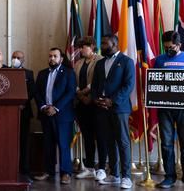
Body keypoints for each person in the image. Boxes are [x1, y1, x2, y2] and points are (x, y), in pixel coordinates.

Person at [91, 35, 135, 189]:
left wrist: (112, 100)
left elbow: (129, 85)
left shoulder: (126, 61)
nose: (101, 46)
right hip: (102, 108)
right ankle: (114, 175)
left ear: (114, 44)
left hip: (119, 108)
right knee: (109, 141)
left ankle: (126, 177)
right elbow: (95, 84)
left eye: (104, 43)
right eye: (101, 43)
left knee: (123, 142)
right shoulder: (100, 63)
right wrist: (96, 99)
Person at [34, 48, 76, 185]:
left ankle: (66, 173)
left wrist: (55, 108)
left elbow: (70, 93)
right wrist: (43, 107)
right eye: (50, 56)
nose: (52, 58)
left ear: (61, 59)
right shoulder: (42, 74)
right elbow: (37, 93)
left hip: (62, 115)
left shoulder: (69, 73)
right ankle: (48, 171)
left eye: (55, 56)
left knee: (63, 145)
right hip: (46, 114)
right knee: (48, 144)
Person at [73, 36, 107, 181]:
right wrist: (80, 95)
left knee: (100, 137)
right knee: (87, 137)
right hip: (81, 104)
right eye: (79, 47)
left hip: (96, 103)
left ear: (92, 46)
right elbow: (73, 80)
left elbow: (98, 81)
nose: (81, 50)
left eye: (84, 47)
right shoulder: (78, 63)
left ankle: (102, 168)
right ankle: (89, 167)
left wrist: (86, 93)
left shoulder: (100, 60)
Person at [154, 31, 184, 189]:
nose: (168, 50)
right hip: (164, 108)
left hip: (183, 108)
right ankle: (169, 176)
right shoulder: (159, 60)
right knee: (166, 143)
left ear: (179, 45)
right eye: (165, 47)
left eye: (171, 47)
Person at [11, 50, 35, 181]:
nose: (15, 59)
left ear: (23, 60)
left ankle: (24, 169)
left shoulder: (29, 73)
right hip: (8, 113)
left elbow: (31, 91)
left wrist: (23, 103)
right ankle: (9, 167)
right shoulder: (6, 71)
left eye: (18, 57)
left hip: (24, 111)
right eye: (13, 57)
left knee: (24, 141)